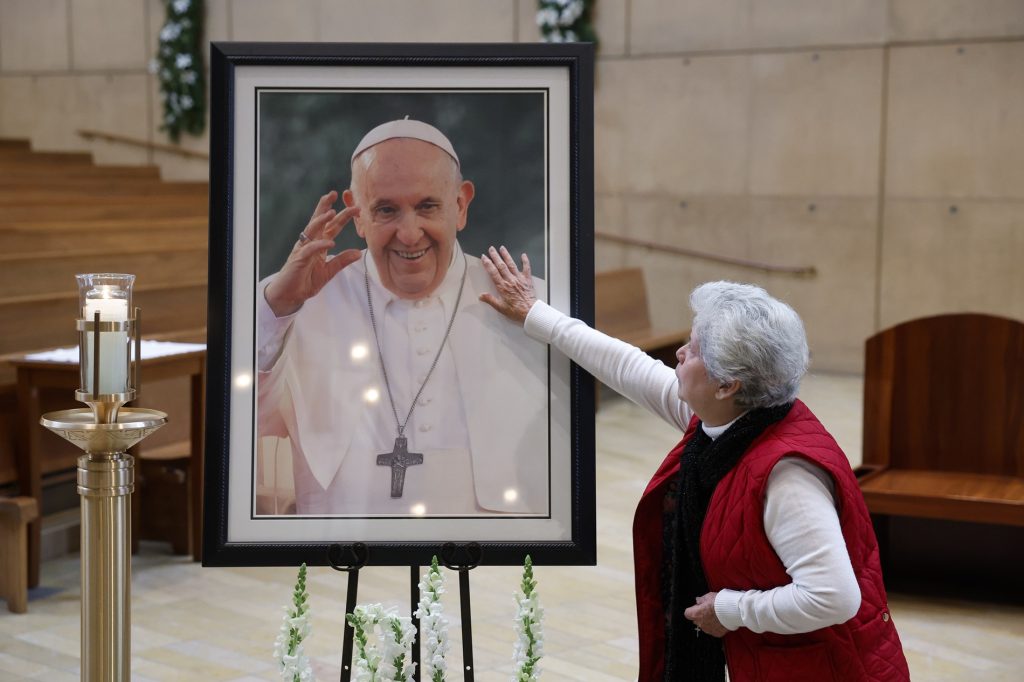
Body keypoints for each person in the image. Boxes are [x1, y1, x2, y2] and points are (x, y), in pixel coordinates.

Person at [479, 248, 910, 681]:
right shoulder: (727, 418)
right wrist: (535, 313)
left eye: (696, 349)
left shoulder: (787, 475)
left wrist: (730, 609)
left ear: (727, 384)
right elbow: (627, 366)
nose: (681, 353)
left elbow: (834, 597)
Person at [257, 119, 548, 516]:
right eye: (386, 210)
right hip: (342, 535)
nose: (409, 234)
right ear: (357, 215)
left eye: (427, 206)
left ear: (460, 205)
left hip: (489, 540)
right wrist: (277, 310)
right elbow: (251, 419)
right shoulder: (300, 297)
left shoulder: (527, 303)